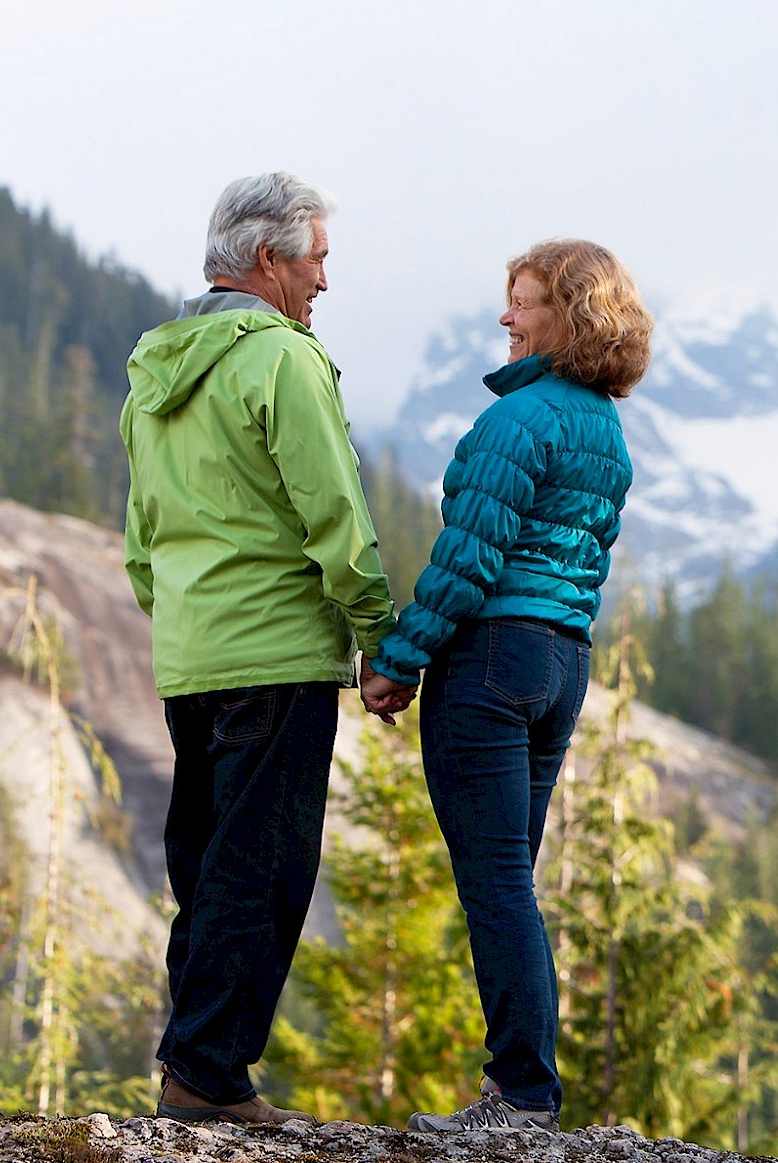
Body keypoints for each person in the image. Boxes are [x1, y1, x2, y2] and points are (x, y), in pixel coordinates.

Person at [122, 172, 396, 1124]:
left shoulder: (153, 372)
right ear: (270, 260)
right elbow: (336, 516)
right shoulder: (282, 360)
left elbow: (139, 543)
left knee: (204, 864)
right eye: (317, 259)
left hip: (192, 657)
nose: (325, 281)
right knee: (262, 865)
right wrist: (377, 634)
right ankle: (206, 1077)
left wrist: (187, 624)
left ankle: (192, 1068)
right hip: (278, 653)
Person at [362, 239, 649, 1131]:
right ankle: (523, 1088)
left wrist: (401, 657)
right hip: (563, 662)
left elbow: (471, 554)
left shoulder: (516, 423)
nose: (506, 318)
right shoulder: (604, 426)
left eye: (522, 302)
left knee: (495, 882)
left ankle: (520, 1092)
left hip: (490, 660)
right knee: (511, 880)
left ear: (569, 315)